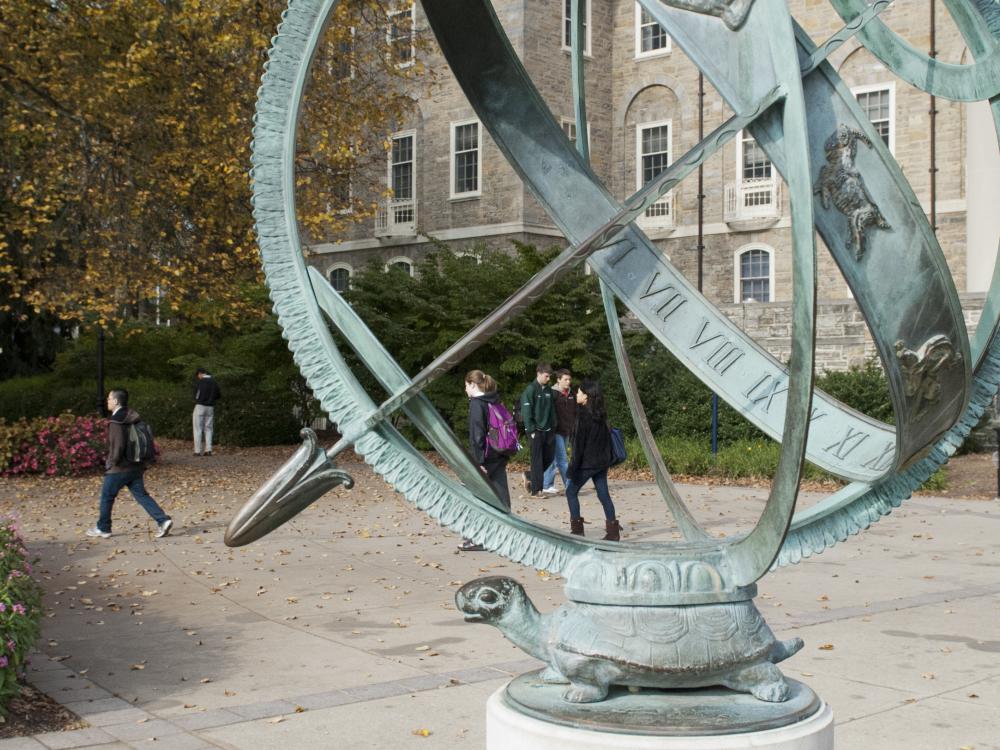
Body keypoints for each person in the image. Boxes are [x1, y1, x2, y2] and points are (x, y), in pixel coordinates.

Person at [86, 389, 173, 539]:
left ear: (116, 401)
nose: (107, 401)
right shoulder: (132, 416)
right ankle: (163, 520)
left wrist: (111, 464)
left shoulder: (116, 421)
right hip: (136, 465)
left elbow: (117, 446)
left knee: (107, 496)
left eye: (109, 398)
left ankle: (103, 528)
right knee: (142, 495)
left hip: (120, 467)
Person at [458, 370, 513, 552]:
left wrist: (478, 461)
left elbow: (477, 435)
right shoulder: (494, 399)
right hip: (499, 453)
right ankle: (506, 534)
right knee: (500, 494)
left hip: (486, 457)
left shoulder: (477, 403)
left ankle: (476, 538)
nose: (465, 389)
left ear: (473, 385)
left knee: (476, 498)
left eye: (466, 385)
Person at [565, 380, 621, 541]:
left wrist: (572, 469)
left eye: (579, 392)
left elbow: (578, 447)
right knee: (604, 495)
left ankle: (577, 531)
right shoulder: (601, 415)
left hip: (587, 464)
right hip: (601, 462)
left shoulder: (582, 416)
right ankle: (613, 532)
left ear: (587, 396)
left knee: (570, 492)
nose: (576, 395)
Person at [519, 362, 556, 498]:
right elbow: (527, 412)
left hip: (548, 430)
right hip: (535, 430)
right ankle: (536, 491)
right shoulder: (530, 390)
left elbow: (552, 410)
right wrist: (532, 430)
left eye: (549, 377)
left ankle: (529, 475)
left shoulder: (548, 390)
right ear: (538, 374)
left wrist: (554, 426)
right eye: (546, 376)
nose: (548, 379)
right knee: (537, 460)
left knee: (549, 457)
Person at [542, 368, 575, 495]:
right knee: (562, 459)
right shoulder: (553, 393)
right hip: (555, 431)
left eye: (569, 379)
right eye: (565, 379)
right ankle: (570, 486)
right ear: (558, 380)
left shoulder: (571, 394)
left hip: (567, 430)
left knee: (555, 459)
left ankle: (546, 484)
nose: (568, 382)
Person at [193, 367, 222, 456]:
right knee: (209, 428)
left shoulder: (200, 382)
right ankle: (208, 450)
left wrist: (199, 399)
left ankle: (197, 451)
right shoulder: (214, 382)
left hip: (200, 406)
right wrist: (211, 399)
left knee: (198, 429)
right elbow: (219, 395)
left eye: (198, 375)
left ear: (200, 373)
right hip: (210, 407)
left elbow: (196, 395)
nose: (198, 377)